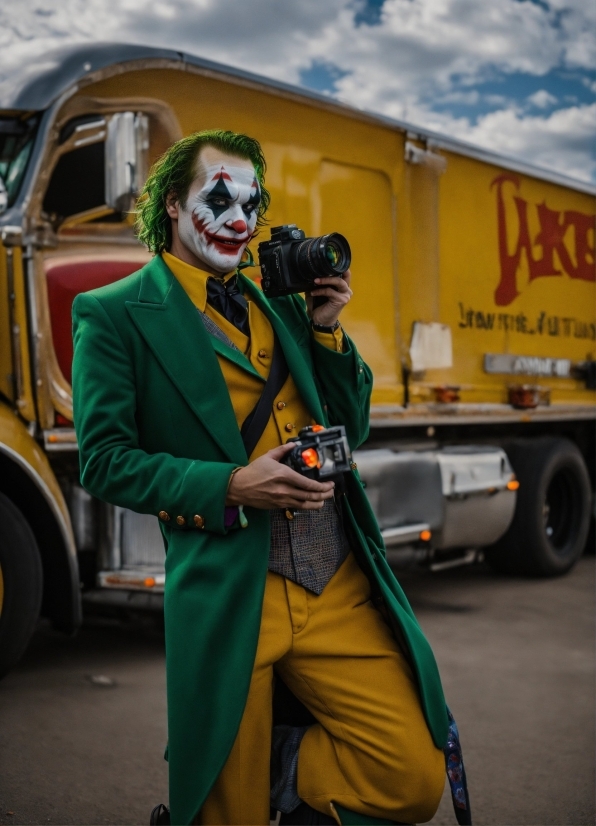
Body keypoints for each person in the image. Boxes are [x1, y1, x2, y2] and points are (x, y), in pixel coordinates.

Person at [72, 130, 465, 826]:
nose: (239, 218)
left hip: (335, 579)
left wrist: (325, 330)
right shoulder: (112, 313)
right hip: (233, 593)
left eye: (251, 202)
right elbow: (104, 459)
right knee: (227, 814)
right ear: (170, 203)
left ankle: (284, 773)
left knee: (410, 775)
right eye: (218, 197)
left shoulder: (278, 299)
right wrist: (229, 485)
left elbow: (353, 427)